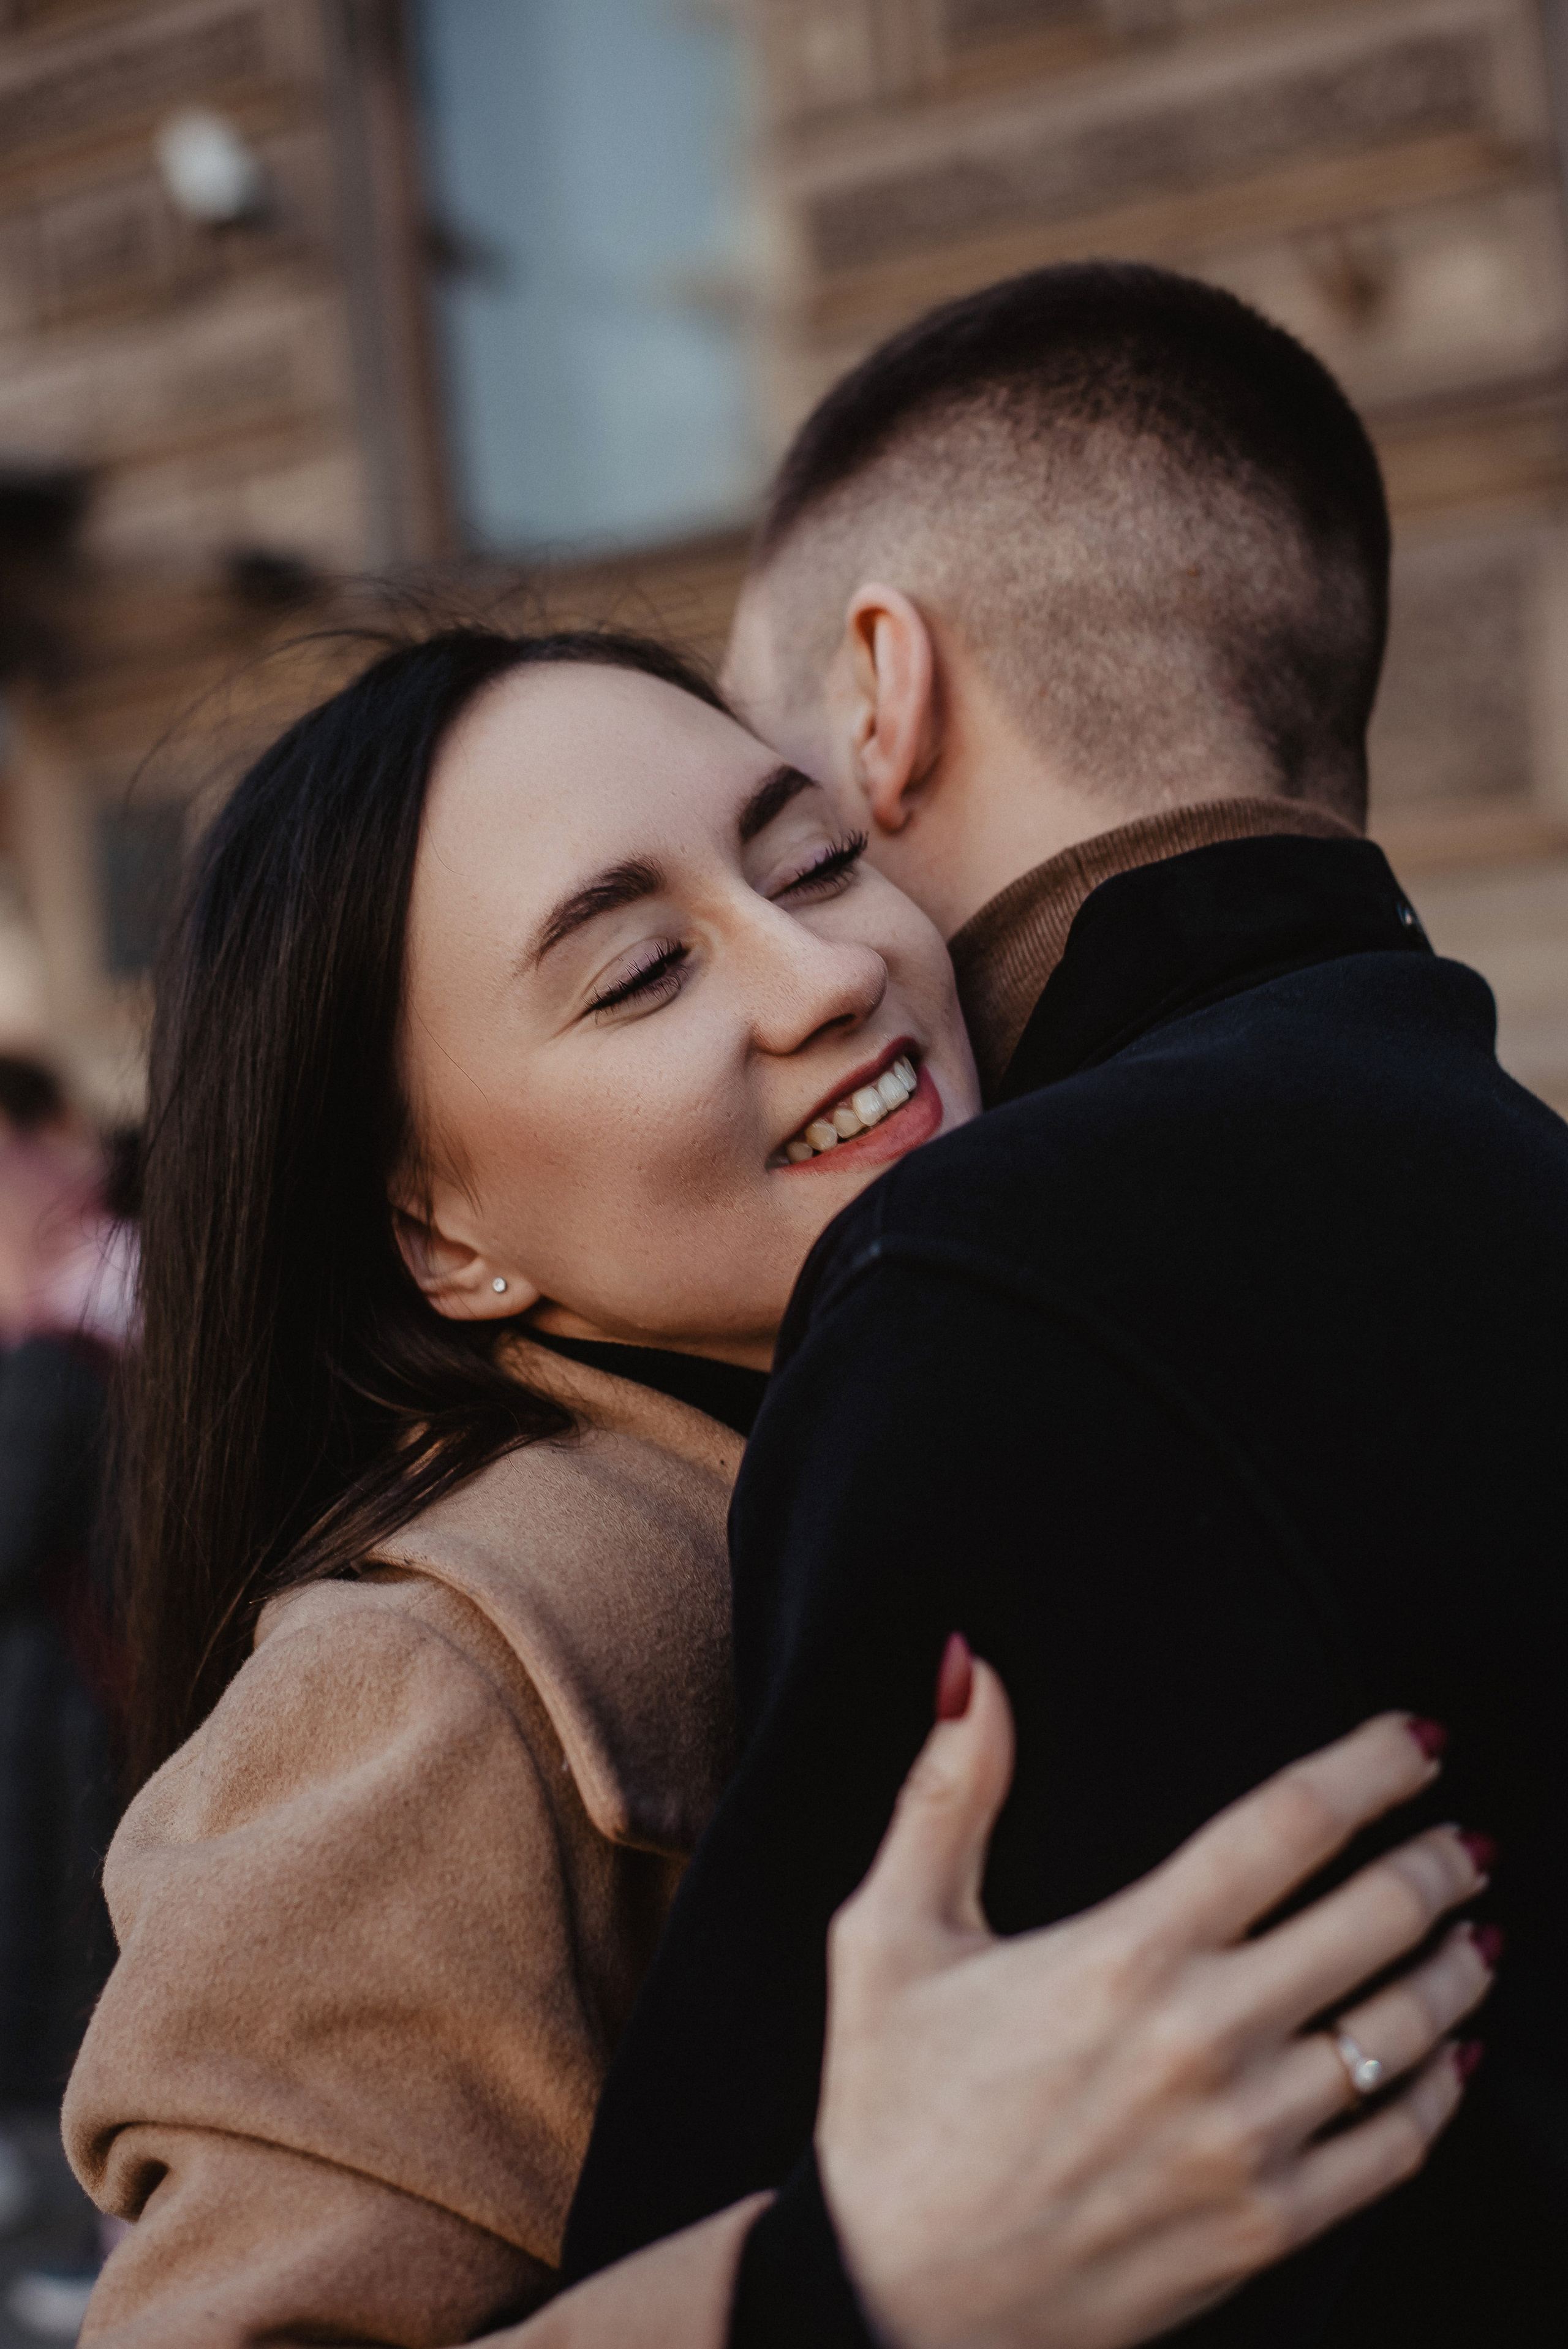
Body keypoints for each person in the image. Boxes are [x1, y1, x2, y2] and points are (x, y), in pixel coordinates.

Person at [62, 629, 1491, 2349]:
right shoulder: (419, 1679)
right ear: (441, 1231)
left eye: (815, 858)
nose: (824, 971)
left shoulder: (991, 1371)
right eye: (644, 970)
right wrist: (862, 2276)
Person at [558, 263, 1568, 2345]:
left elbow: (744, 2223)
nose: (803, 958)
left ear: (879, 695)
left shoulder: (1000, 1268)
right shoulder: (1512, 1168)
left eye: (785, 810)